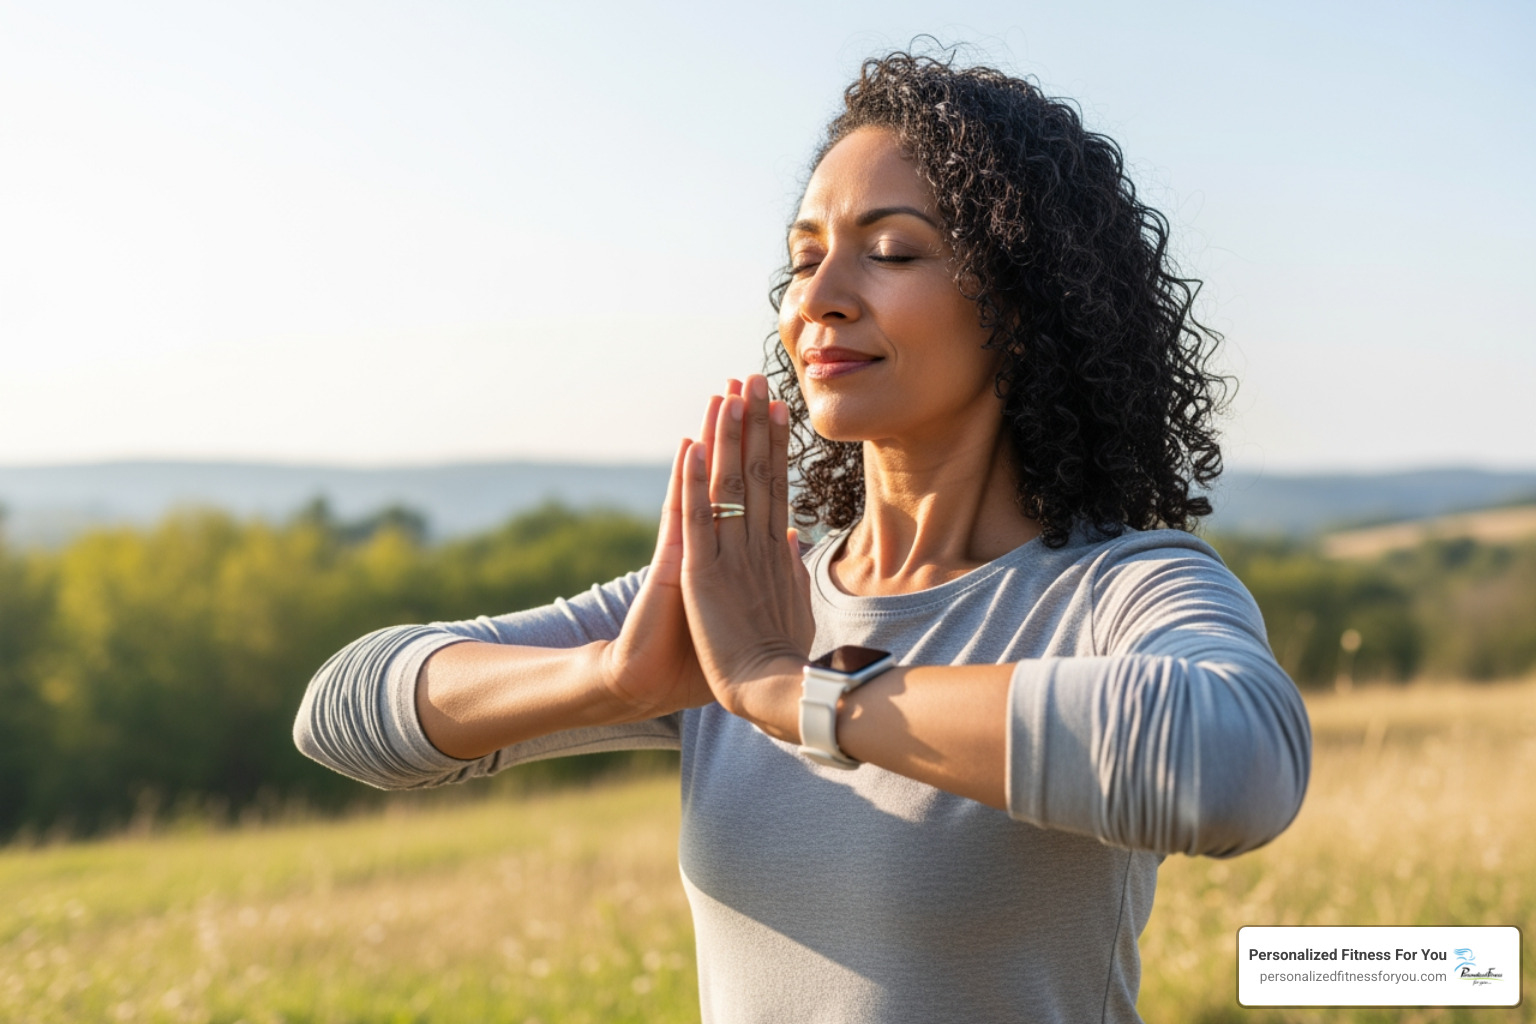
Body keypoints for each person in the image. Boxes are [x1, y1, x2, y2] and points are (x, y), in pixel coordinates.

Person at [295, 51, 1310, 1023]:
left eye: (894, 250)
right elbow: (342, 708)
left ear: (1022, 300)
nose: (820, 298)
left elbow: (1234, 766)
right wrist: (612, 678)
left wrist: (792, 691)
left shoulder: (1113, 589)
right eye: (805, 258)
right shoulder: (749, 589)